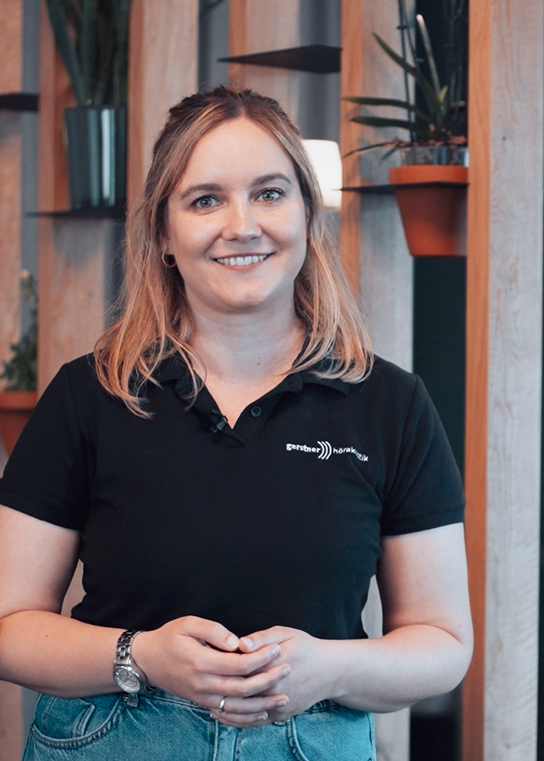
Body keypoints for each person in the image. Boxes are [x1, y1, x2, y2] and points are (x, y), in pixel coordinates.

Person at [0, 87, 472, 761]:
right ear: (163, 234)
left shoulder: (391, 404)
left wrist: (330, 668)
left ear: (308, 214)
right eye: (205, 200)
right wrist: (142, 656)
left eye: (270, 193)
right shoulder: (90, 394)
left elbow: (443, 642)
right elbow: (9, 623)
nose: (242, 225)